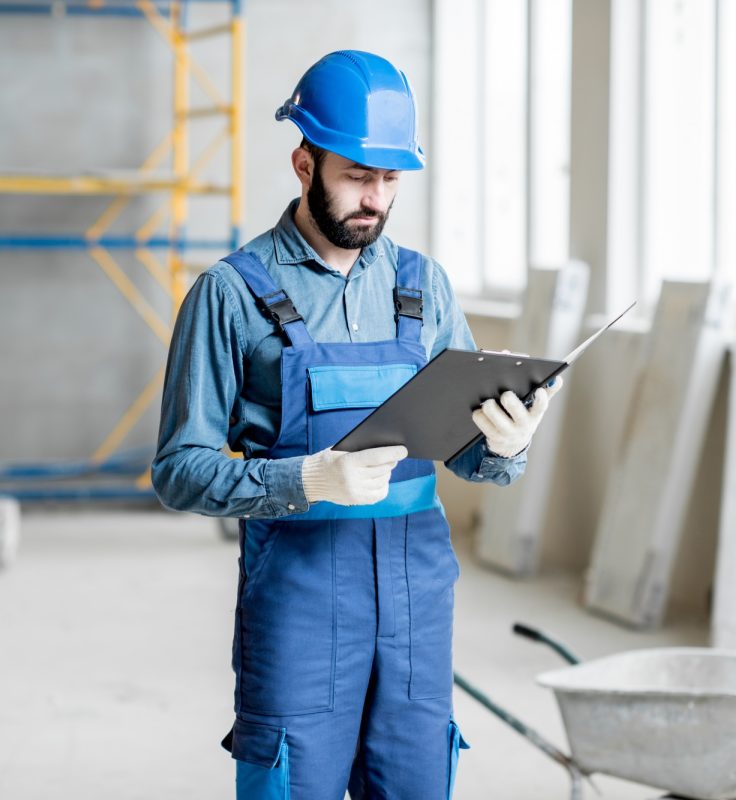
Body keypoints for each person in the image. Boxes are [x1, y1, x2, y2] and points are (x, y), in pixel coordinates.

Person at [152, 50, 562, 800]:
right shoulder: (230, 295)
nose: (375, 199)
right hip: (300, 600)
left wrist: (507, 445)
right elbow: (179, 469)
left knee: (415, 782)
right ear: (304, 163)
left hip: (417, 595)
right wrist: (308, 478)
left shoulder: (424, 287)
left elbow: (466, 452)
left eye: (391, 180)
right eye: (357, 176)